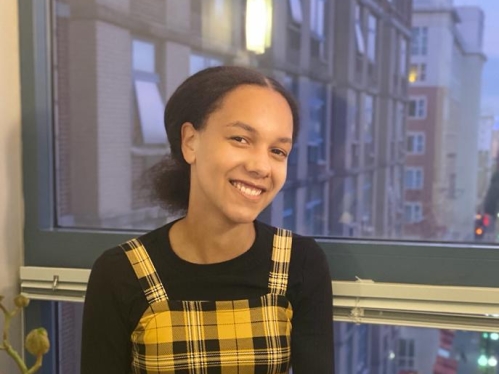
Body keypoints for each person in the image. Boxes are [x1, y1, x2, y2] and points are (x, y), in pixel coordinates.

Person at [81, 66, 334, 373]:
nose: (261, 166)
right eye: (241, 138)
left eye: (278, 150)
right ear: (190, 141)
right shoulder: (120, 272)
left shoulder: (301, 263)